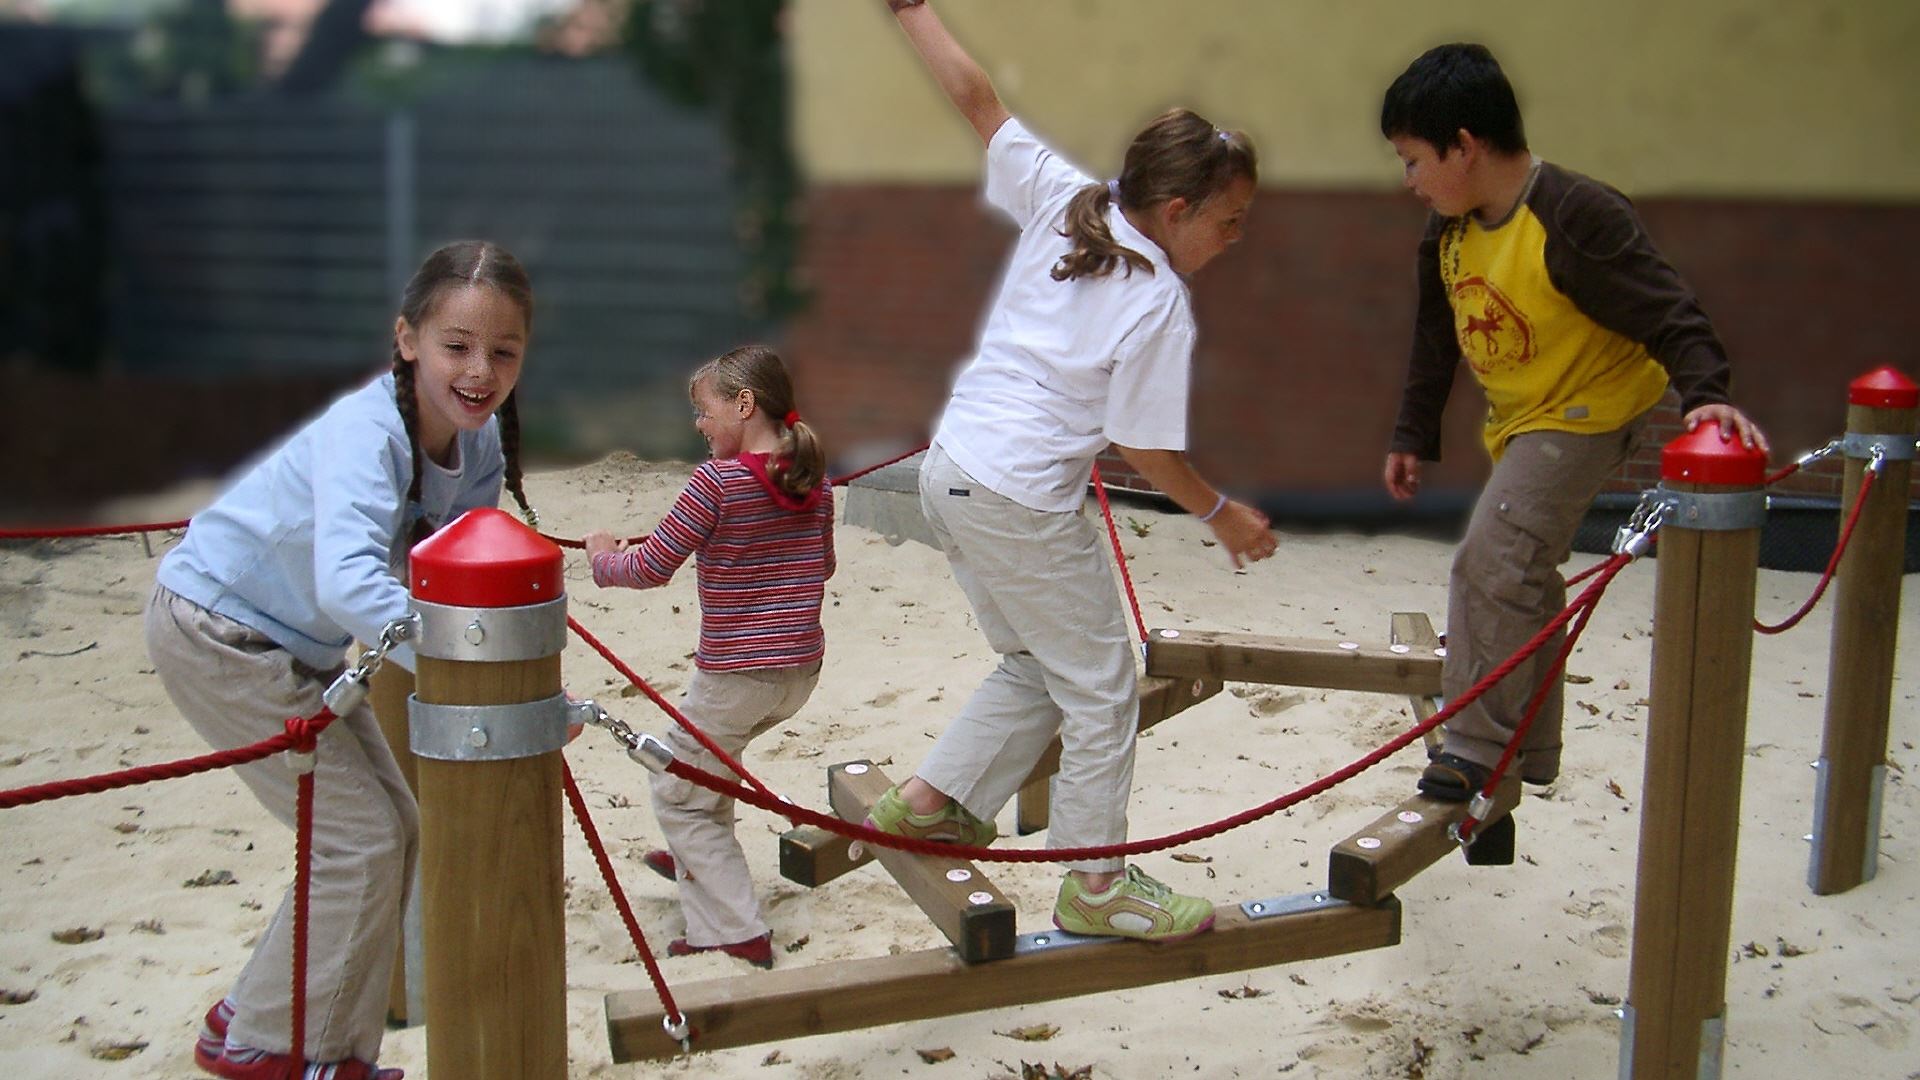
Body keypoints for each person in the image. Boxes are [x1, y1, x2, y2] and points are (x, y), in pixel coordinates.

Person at [868, 0, 1276, 943]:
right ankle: (1097, 884)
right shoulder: (1160, 299)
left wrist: (912, 12)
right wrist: (1221, 515)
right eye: (1229, 221)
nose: (1235, 237)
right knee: (1101, 684)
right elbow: (1145, 451)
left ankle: (933, 802)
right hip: (1013, 495)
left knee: (1034, 662)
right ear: (1176, 211)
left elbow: (978, 101)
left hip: (952, 470)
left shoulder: (1069, 196)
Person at [143, 240, 536, 1080]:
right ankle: (286, 1051)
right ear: (407, 340)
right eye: (456, 346)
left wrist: (500, 670)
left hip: (298, 647)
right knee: (357, 842)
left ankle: (252, 1016)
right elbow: (355, 582)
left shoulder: (482, 446)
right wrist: (488, 673)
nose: (480, 370)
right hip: (222, 630)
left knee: (390, 830)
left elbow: (453, 568)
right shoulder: (370, 429)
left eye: (503, 351)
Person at [1378, 43, 1770, 800]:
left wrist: (1705, 395)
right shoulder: (1452, 231)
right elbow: (1437, 336)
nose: (1410, 181)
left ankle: (1477, 748)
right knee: (1521, 572)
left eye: (1415, 159)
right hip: (1524, 416)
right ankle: (1535, 745)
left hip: (1591, 410)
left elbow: (1672, 310)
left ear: (1465, 145)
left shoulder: (1575, 213)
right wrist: (1411, 434)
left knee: (1492, 559)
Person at [582, 345, 834, 970]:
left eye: (704, 411)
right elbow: (823, 564)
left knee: (679, 794)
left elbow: (648, 568)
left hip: (737, 673)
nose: (698, 425)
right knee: (708, 761)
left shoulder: (715, 482)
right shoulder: (815, 481)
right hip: (799, 669)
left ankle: (731, 932)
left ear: (743, 404)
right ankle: (697, 857)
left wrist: (600, 558)